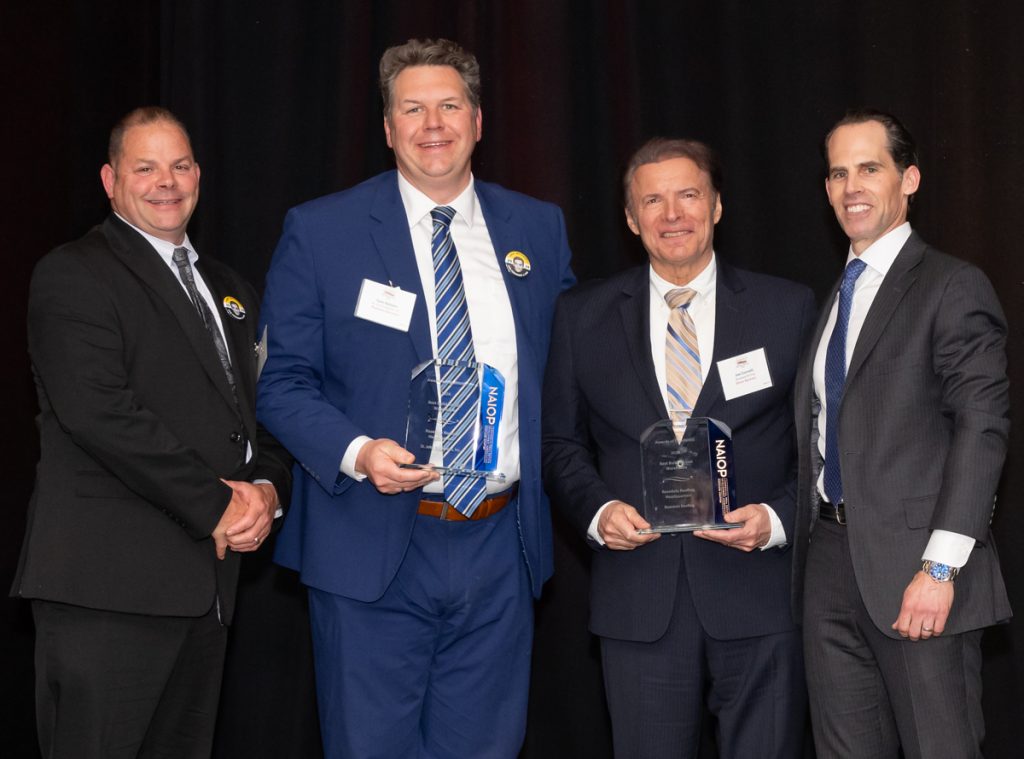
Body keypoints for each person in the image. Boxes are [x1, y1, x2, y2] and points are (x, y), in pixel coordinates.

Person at [256, 38, 575, 758]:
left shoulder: (537, 229)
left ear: (479, 120)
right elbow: (280, 384)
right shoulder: (321, 230)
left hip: (500, 542)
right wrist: (358, 451)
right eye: (413, 108)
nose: (434, 123)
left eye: (450, 105)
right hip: (371, 538)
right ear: (390, 127)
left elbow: (569, 374)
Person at [12, 106, 292, 759]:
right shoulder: (74, 272)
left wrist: (267, 492)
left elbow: (263, 416)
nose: (167, 181)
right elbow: (99, 413)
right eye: (146, 167)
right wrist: (220, 502)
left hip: (206, 596)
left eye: (181, 164)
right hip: (107, 596)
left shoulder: (231, 290)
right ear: (111, 180)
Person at [542, 137, 815, 758]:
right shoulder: (581, 316)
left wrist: (777, 520)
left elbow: (821, 443)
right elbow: (558, 442)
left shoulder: (788, 307)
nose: (673, 215)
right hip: (639, 597)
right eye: (654, 201)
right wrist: (596, 511)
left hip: (759, 592)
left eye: (689, 195)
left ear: (716, 206)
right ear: (632, 219)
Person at [791, 108, 1011, 758]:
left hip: (920, 571)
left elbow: (983, 427)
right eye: (837, 172)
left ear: (908, 178)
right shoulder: (835, 296)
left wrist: (940, 566)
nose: (851, 186)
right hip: (827, 564)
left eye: (869, 168)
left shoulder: (951, 285)